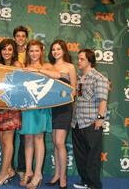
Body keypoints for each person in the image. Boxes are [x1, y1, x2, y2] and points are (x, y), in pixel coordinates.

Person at [19, 40, 60, 189]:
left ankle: (38, 174)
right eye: (31, 51)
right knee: (28, 138)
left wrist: (38, 71)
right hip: (27, 108)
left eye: (37, 51)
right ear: (27, 52)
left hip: (41, 108)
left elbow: (57, 75)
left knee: (38, 138)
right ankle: (28, 171)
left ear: (41, 51)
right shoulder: (24, 67)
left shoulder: (47, 66)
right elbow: (19, 88)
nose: (34, 54)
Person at [72, 49, 109, 189]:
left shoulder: (99, 78)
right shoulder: (81, 78)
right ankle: (85, 181)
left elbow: (103, 101)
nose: (78, 61)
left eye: (81, 59)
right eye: (78, 59)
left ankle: (94, 185)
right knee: (81, 155)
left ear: (89, 61)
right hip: (77, 122)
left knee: (93, 157)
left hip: (91, 123)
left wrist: (100, 118)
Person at [46, 39, 76, 189]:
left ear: (64, 50)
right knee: (55, 144)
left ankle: (63, 177)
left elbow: (74, 90)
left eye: (58, 49)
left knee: (60, 142)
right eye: (53, 49)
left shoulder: (70, 67)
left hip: (65, 108)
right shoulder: (49, 66)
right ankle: (57, 174)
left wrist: (65, 96)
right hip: (51, 108)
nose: (55, 51)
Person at [0, 39, 22, 186]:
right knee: (3, 141)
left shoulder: (17, 65)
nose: (7, 52)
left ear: (14, 51)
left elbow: (21, 87)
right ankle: (9, 169)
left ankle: (3, 174)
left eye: (10, 49)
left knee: (8, 141)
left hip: (11, 107)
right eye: (4, 49)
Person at [13, 25, 29, 178]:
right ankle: (8, 168)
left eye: (23, 36)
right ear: (14, 38)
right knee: (9, 136)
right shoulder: (9, 54)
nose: (20, 39)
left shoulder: (31, 55)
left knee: (25, 136)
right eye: (18, 36)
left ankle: (22, 168)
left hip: (26, 101)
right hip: (11, 100)